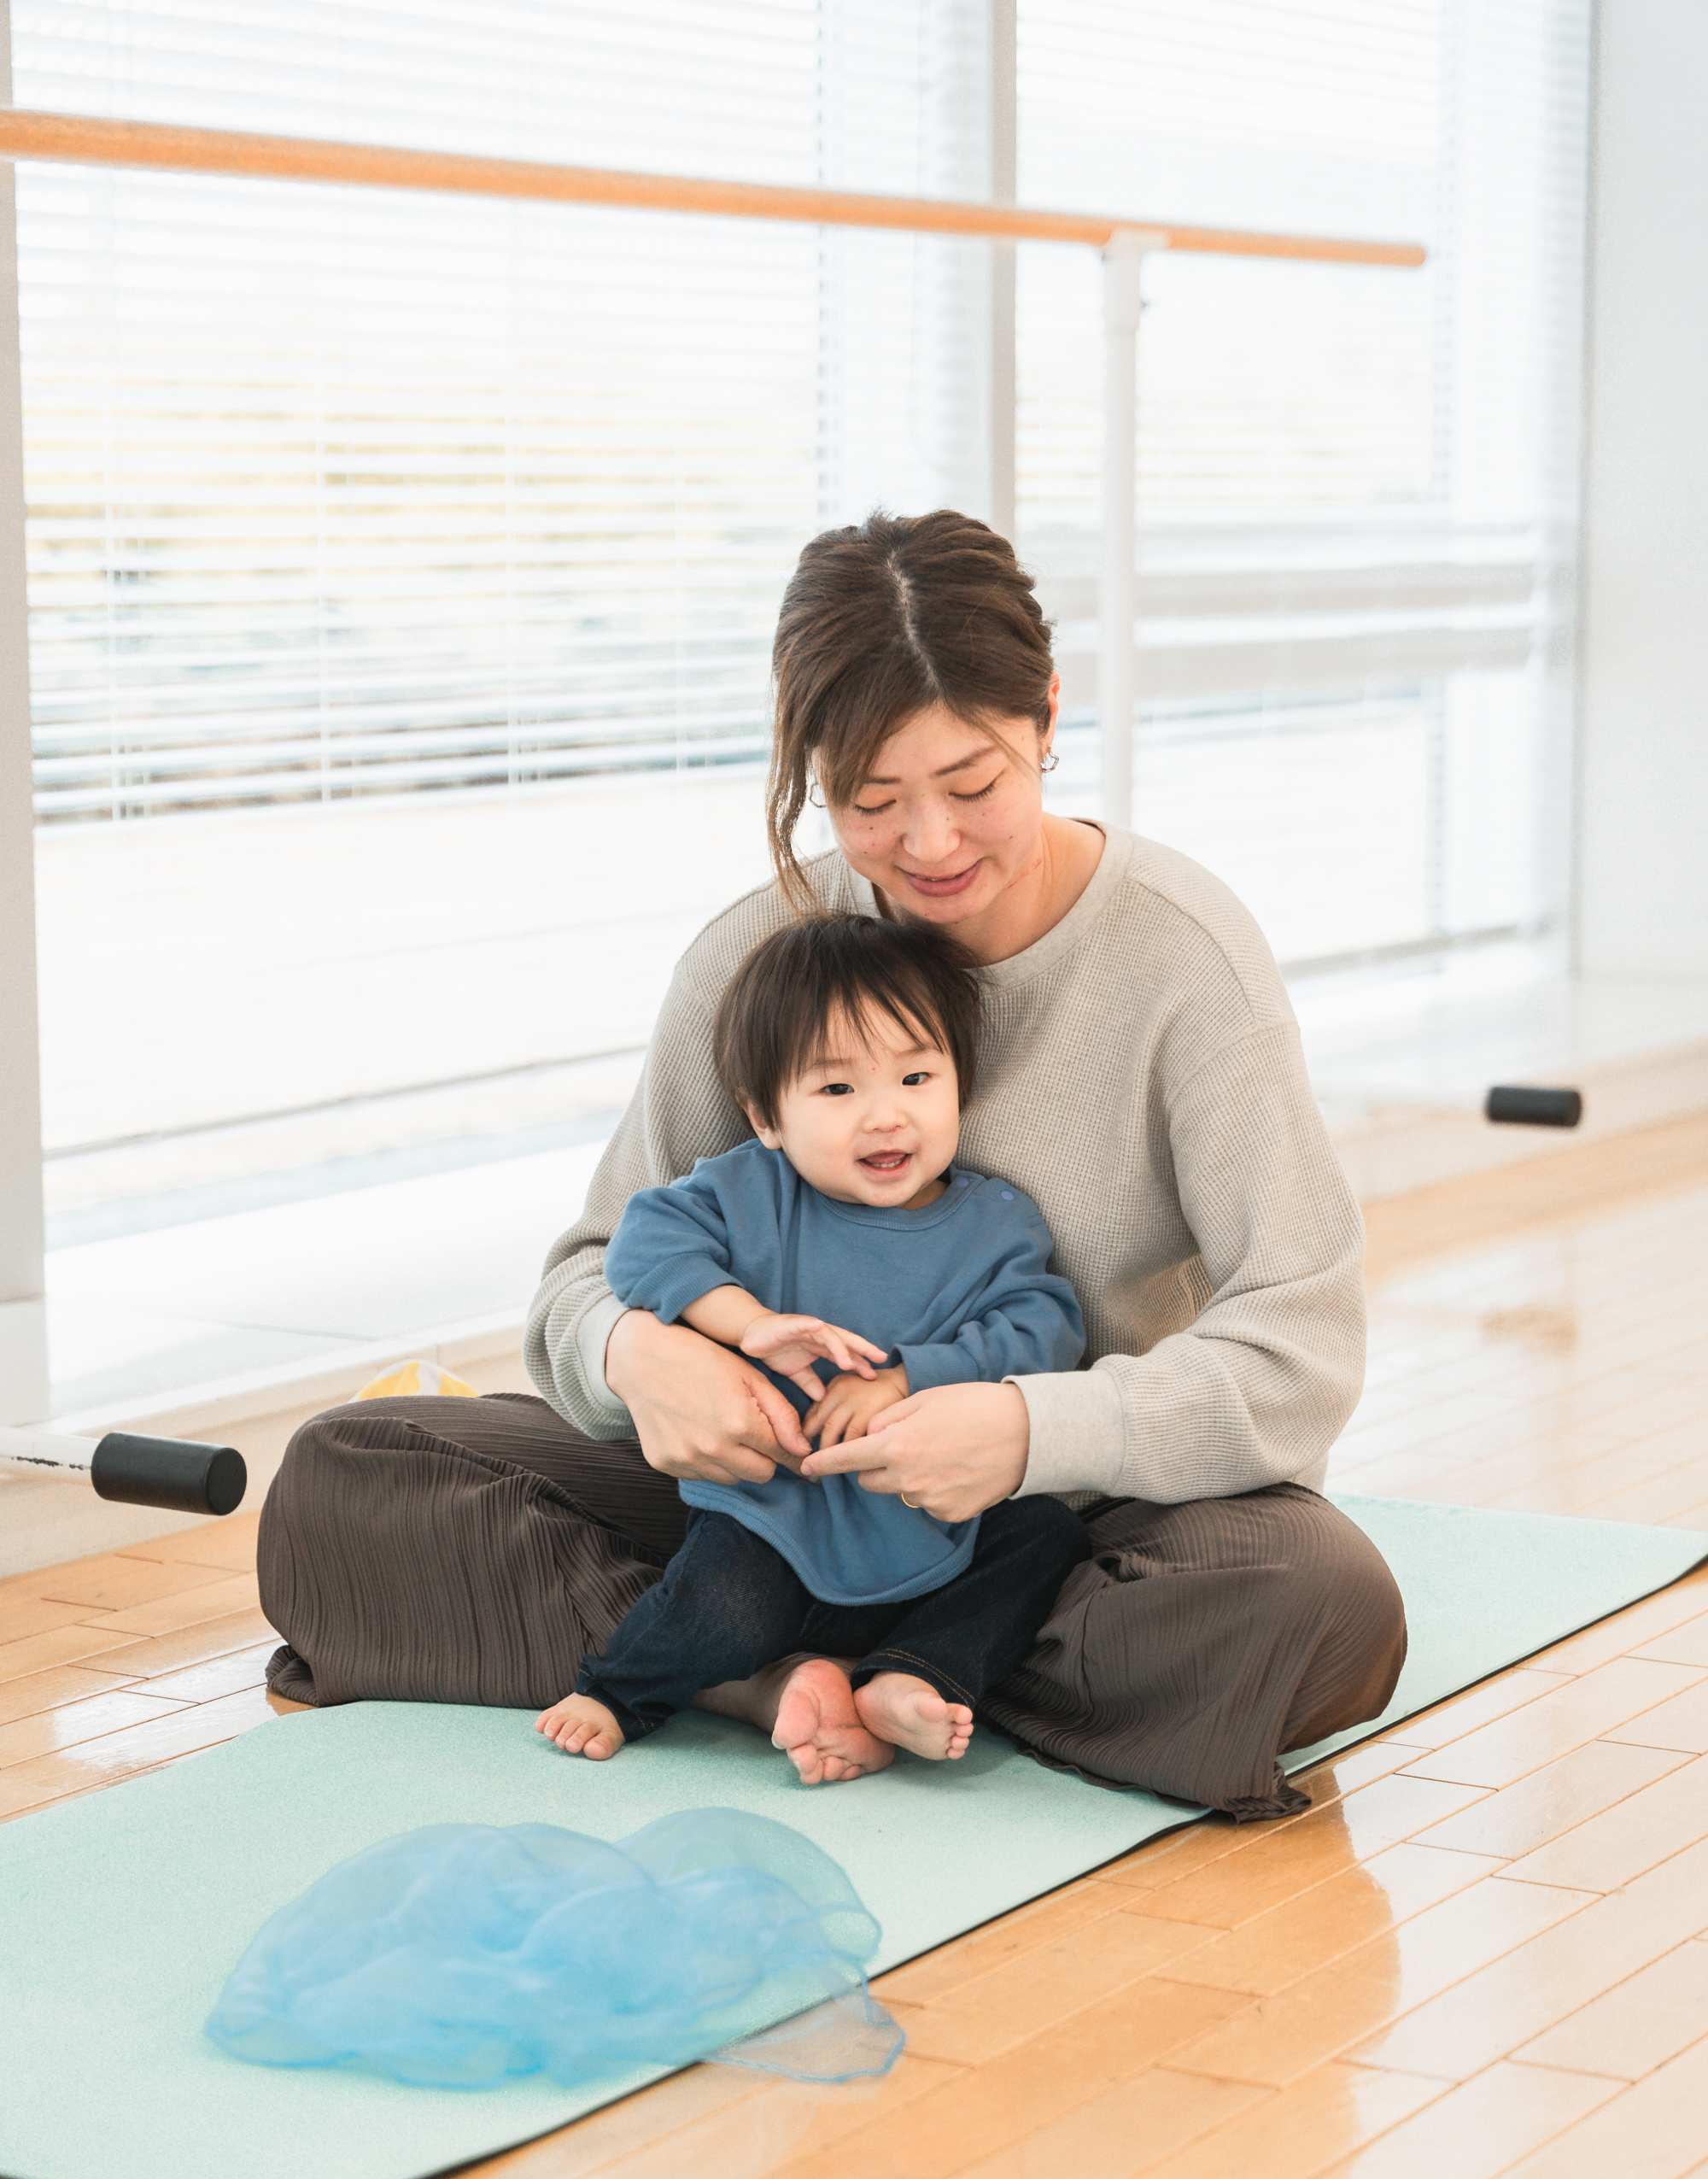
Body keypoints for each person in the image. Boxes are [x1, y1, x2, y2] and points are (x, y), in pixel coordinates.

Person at [260, 507, 1407, 1819]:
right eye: (870, 802)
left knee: (1324, 1609)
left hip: (1053, 1523)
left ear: (1043, 717)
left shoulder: (1183, 962)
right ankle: (782, 1676)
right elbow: (588, 1277)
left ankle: (770, 1663)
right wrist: (644, 1357)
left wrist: (1031, 1429)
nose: (930, 846)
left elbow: (1298, 1347)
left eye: (973, 786)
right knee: (352, 1477)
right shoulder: (762, 957)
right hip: (759, 1509)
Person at [534, 911, 1090, 1782]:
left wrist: (909, 1379)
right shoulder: (749, 1191)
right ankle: (617, 1692)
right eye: (836, 1091)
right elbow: (639, 1245)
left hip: (938, 1519)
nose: (884, 1117)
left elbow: (1044, 1329)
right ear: (765, 1114)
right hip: (773, 1515)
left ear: (958, 1083)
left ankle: (906, 1677)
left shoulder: (995, 1222)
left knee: (1045, 1539)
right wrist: (743, 1323)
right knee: (718, 1608)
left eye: (915, 1077)